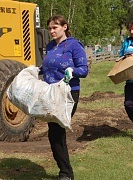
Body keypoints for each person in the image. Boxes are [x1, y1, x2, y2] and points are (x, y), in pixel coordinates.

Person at [41, 15, 89, 180]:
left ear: (64, 27)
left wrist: (72, 71)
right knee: (54, 133)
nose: (52, 31)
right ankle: (65, 172)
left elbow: (84, 70)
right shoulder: (50, 46)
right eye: (50, 28)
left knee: (55, 131)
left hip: (69, 93)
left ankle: (66, 174)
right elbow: (47, 67)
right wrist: (35, 71)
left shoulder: (74, 45)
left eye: (55, 27)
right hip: (51, 93)